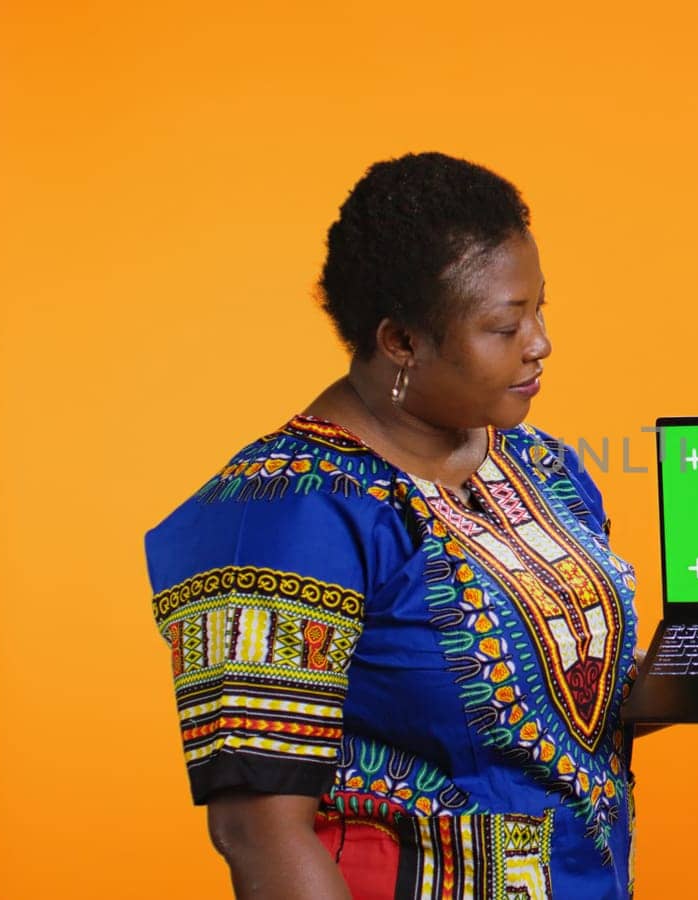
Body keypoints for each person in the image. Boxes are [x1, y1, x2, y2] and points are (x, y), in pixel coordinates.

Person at [146, 152, 642, 898]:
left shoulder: (545, 467)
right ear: (401, 341)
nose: (540, 342)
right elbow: (256, 831)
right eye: (505, 325)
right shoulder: (284, 516)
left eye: (541, 308)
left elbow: (568, 709)